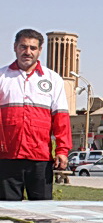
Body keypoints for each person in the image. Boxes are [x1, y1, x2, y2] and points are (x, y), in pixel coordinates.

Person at [0, 29, 72, 200]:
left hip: (40, 157)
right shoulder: (2, 77)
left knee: (42, 210)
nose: (28, 52)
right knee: (7, 210)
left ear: (40, 50)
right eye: (23, 47)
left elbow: (61, 119)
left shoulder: (53, 79)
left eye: (33, 48)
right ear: (15, 47)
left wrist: (62, 150)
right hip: (7, 157)